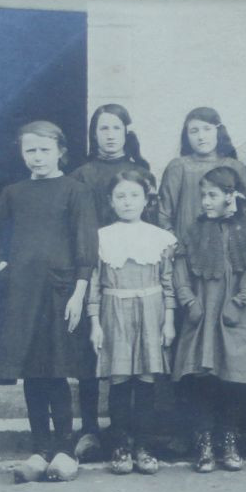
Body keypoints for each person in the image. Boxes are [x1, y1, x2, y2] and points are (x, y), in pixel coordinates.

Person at [0, 121, 90, 483]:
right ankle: (39, 448)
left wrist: (79, 292)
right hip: (23, 293)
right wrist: (4, 266)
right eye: (30, 150)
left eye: (44, 150)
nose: (38, 157)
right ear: (22, 153)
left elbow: (84, 245)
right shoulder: (14, 193)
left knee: (56, 369)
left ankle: (63, 450)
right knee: (31, 371)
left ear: (60, 151)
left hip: (60, 291)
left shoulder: (74, 190)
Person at [65, 103, 151, 459]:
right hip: (94, 262)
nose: (110, 135)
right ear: (94, 134)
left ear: (126, 132)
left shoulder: (139, 171)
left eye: (116, 128)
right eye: (103, 129)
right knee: (91, 351)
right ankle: (89, 429)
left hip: (130, 269)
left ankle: (133, 434)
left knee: (135, 354)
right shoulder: (82, 175)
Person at [171, 166, 246, 472]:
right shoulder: (194, 231)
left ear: (231, 196)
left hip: (236, 316)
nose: (206, 201)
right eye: (203, 196)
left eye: (212, 195)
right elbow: (180, 270)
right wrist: (189, 301)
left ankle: (228, 440)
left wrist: (240, 300)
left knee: (234, 378)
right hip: (203, 315)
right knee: (204, 379)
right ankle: (204, 443)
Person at [86, 170, 176, 475]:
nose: (127, 202)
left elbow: (168, 284)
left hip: (152, 312)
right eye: (120, 196)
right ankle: (120, 445)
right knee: (121, 380)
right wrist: (95, 323)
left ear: (146, 199)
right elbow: (95, 285)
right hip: (115, 312)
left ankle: (144, 446)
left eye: (134, 195)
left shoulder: (160, 238)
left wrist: (169, 322)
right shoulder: (102, 237)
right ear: (111, 201)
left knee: (147, 382)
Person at [158, 107, 246, 251]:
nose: (201, 136)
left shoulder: (236, 167)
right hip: (186, 249)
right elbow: (163, 214)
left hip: (227, 249)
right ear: (186, 136)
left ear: (218, 132)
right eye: (194, 131)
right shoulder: (178, 167)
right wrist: (176, 247)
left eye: (207, 129)